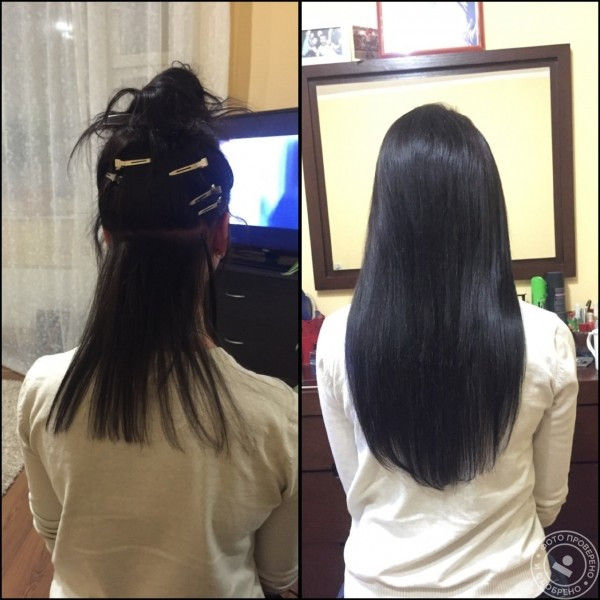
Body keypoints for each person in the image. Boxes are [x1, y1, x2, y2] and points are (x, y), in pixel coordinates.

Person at [17, 62, 298, 598]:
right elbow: (279, 575)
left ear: (106, 236)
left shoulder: (41, 390)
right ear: (221, 236)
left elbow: (52, 533)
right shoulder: (274, 418)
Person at [316, 103, 578, 598]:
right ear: (487, 210)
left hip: (378, 586)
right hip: (508, 584)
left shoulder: (336, 337)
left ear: (386, 213)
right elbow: (547, 500)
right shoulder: (547, 340)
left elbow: (357, 488)